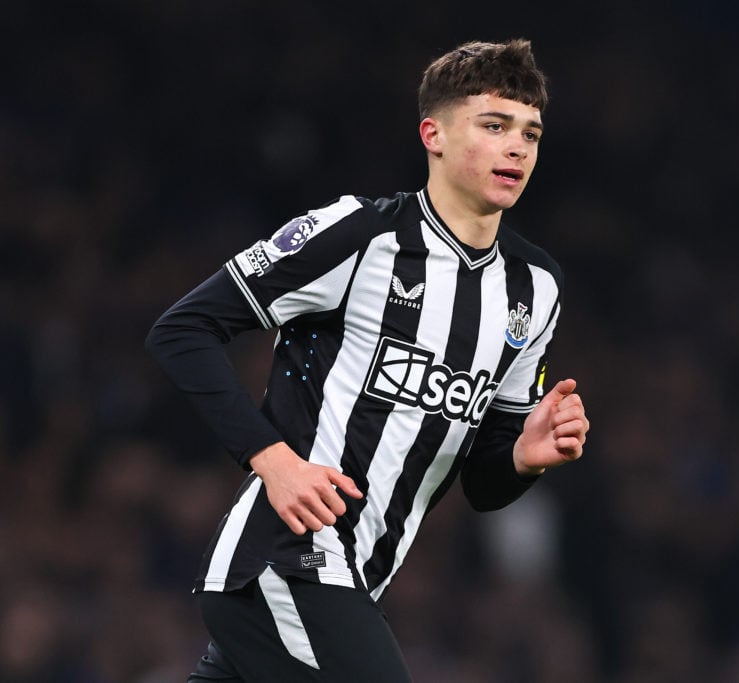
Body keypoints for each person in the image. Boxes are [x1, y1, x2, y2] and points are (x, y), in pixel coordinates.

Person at [146, 38, 589, 682]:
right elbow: (182, 330)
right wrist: (274, 462)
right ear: (432, 134)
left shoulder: (535, 288)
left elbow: (484, 484)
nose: (518, 147)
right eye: (494, 126)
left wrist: (522, 458)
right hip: (285, 561)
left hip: (355, 584)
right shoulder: (361, 235)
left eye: (531, 132)